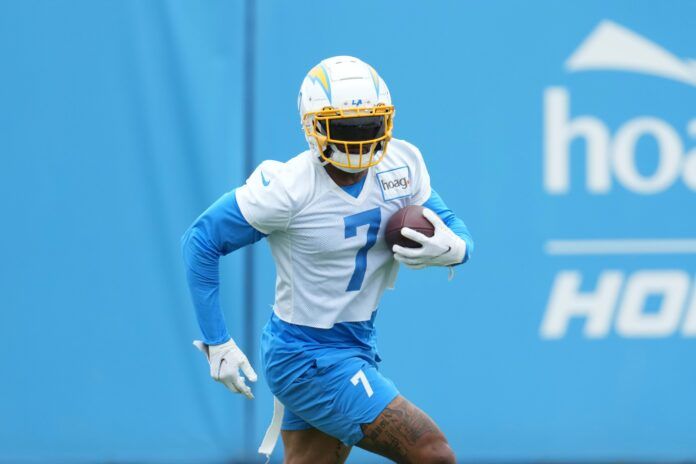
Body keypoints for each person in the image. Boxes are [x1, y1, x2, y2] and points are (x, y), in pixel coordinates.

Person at [182, 56, 473, 464]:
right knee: (432, 452)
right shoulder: (288, 189)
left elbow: (454, 227)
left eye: (369, 125)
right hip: (305, 353)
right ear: (313, 126)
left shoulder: (402, 165)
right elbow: (200, 240)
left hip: (353, 340)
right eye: (344, 128)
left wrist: (456, 249)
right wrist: (218, 343)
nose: (359, 140)